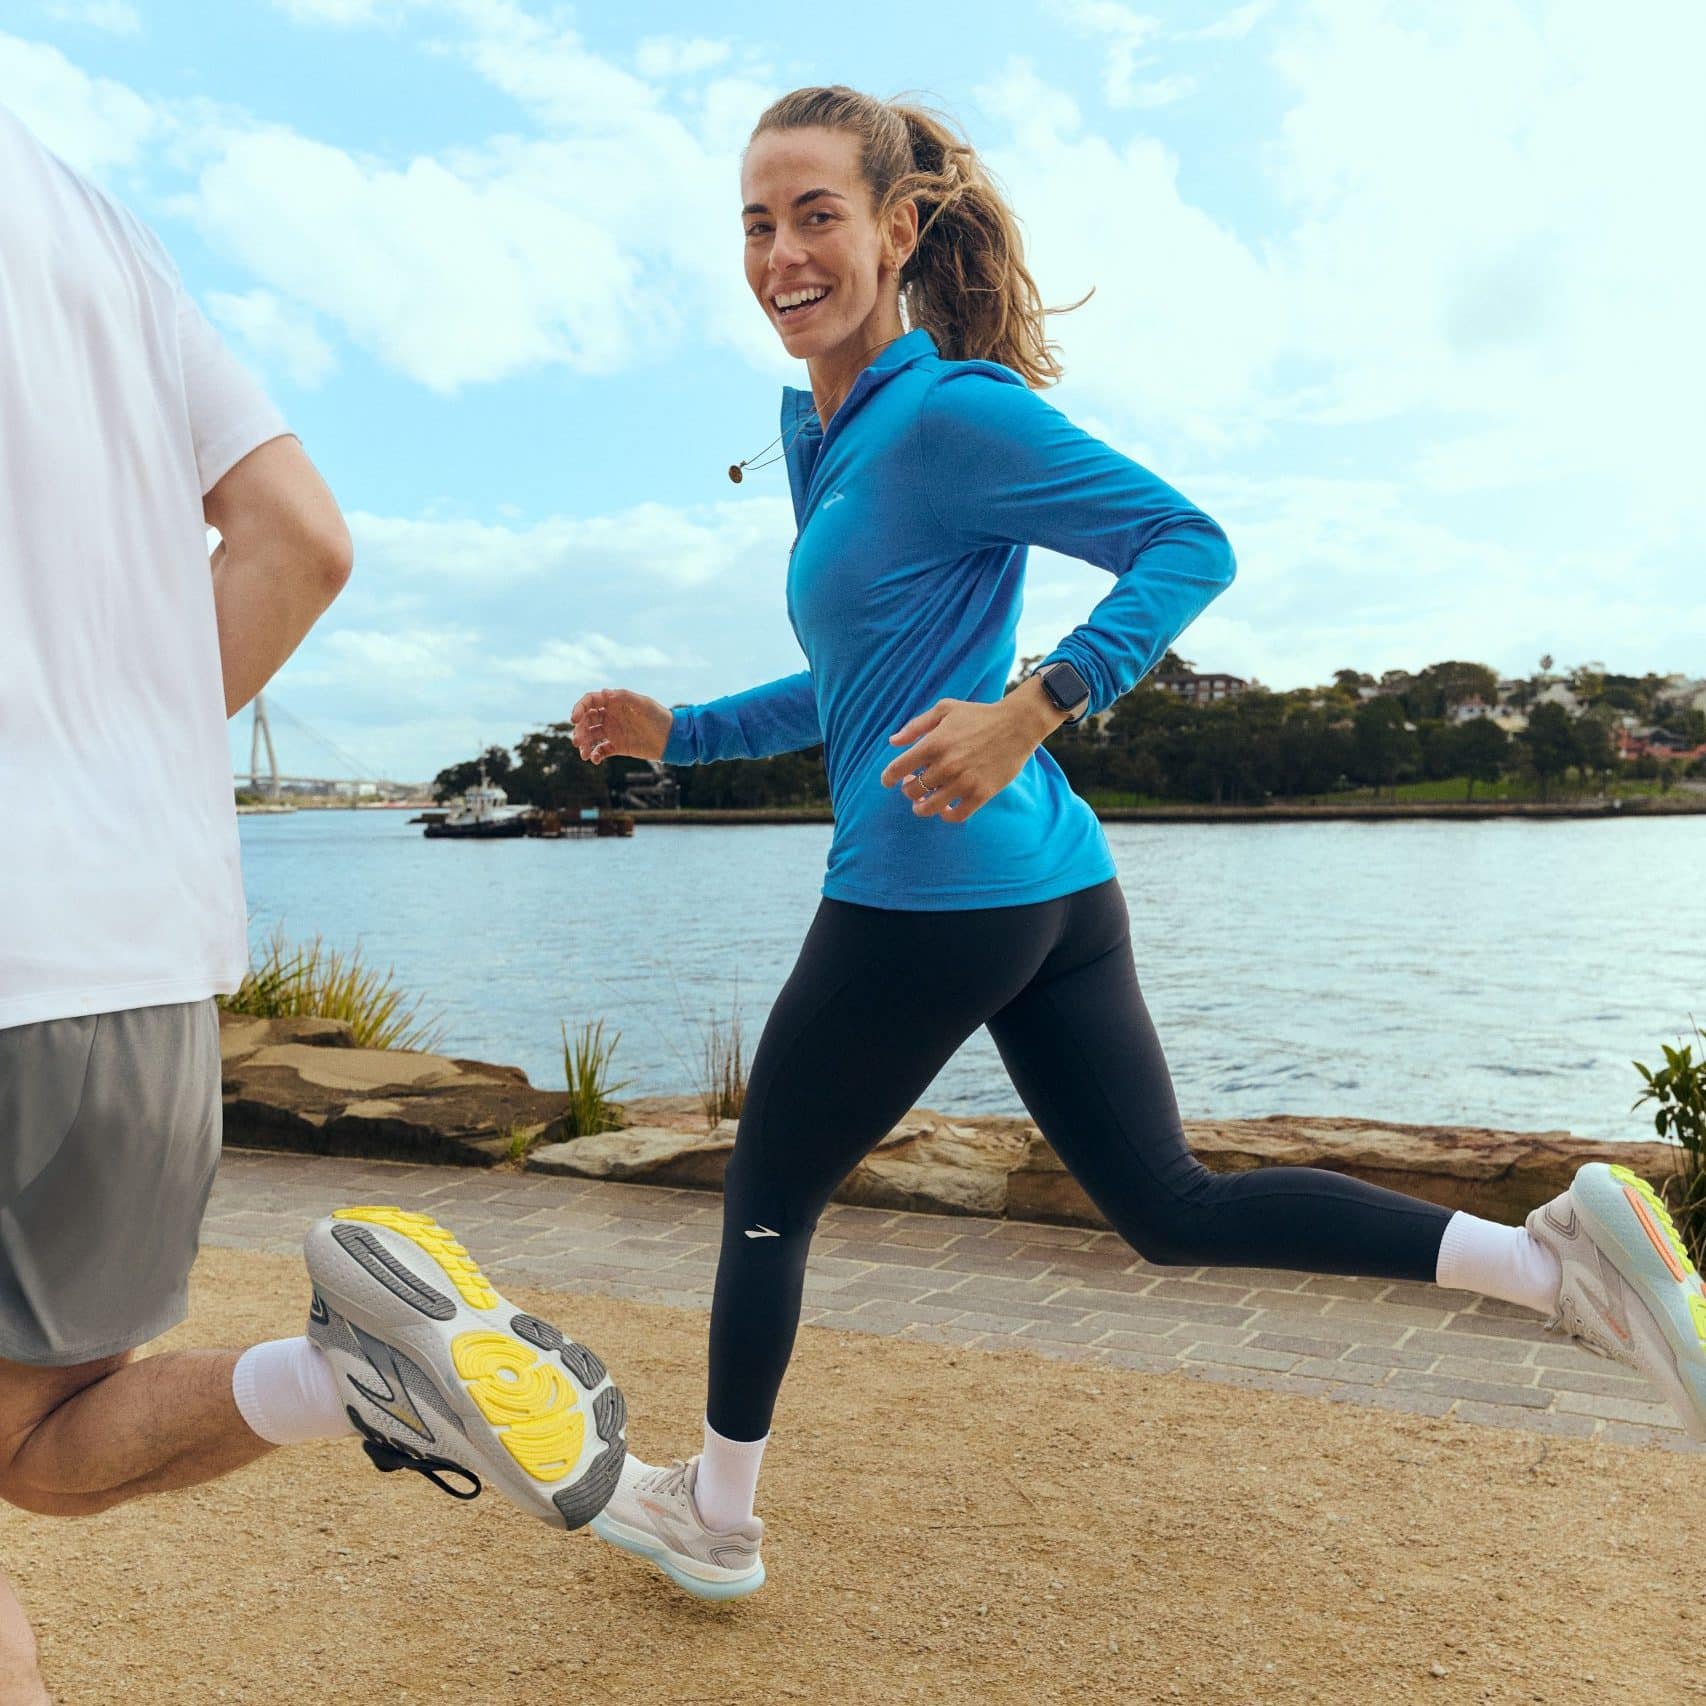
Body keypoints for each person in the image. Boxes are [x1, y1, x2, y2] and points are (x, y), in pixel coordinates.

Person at [568, 85, 1706, 1601]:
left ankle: (716, 1513)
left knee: (767, 1186)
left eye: (816, 215)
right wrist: (683, 733)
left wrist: (1033, 703)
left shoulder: (950, 413)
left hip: (930, 883)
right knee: (1167, 1207)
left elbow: (1191, 542)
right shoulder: (835, 439)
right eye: (757, 224)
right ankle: (1549, 1257)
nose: (781, 252)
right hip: (1049, 887)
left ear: (899, 229)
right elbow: (857, 683)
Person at [0, 103, 622, 1703]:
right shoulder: (91, 222)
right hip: (137, 961)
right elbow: (301, 541)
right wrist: (94, 772)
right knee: (33, 1447)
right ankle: (348, 1366)